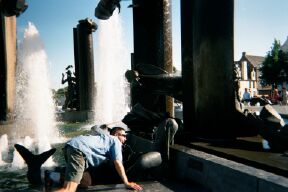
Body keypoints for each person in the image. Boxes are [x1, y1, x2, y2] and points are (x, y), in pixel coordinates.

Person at [53, 126, 143, 192]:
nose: (125, 138)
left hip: (73, 147)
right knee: (69, 189)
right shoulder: (115, 140)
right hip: (79, 150)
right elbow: (118, 163)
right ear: (116, 134)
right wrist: (126, 182)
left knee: (86, 182)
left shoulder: (105, 139)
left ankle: (52, 175)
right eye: (123, 135)